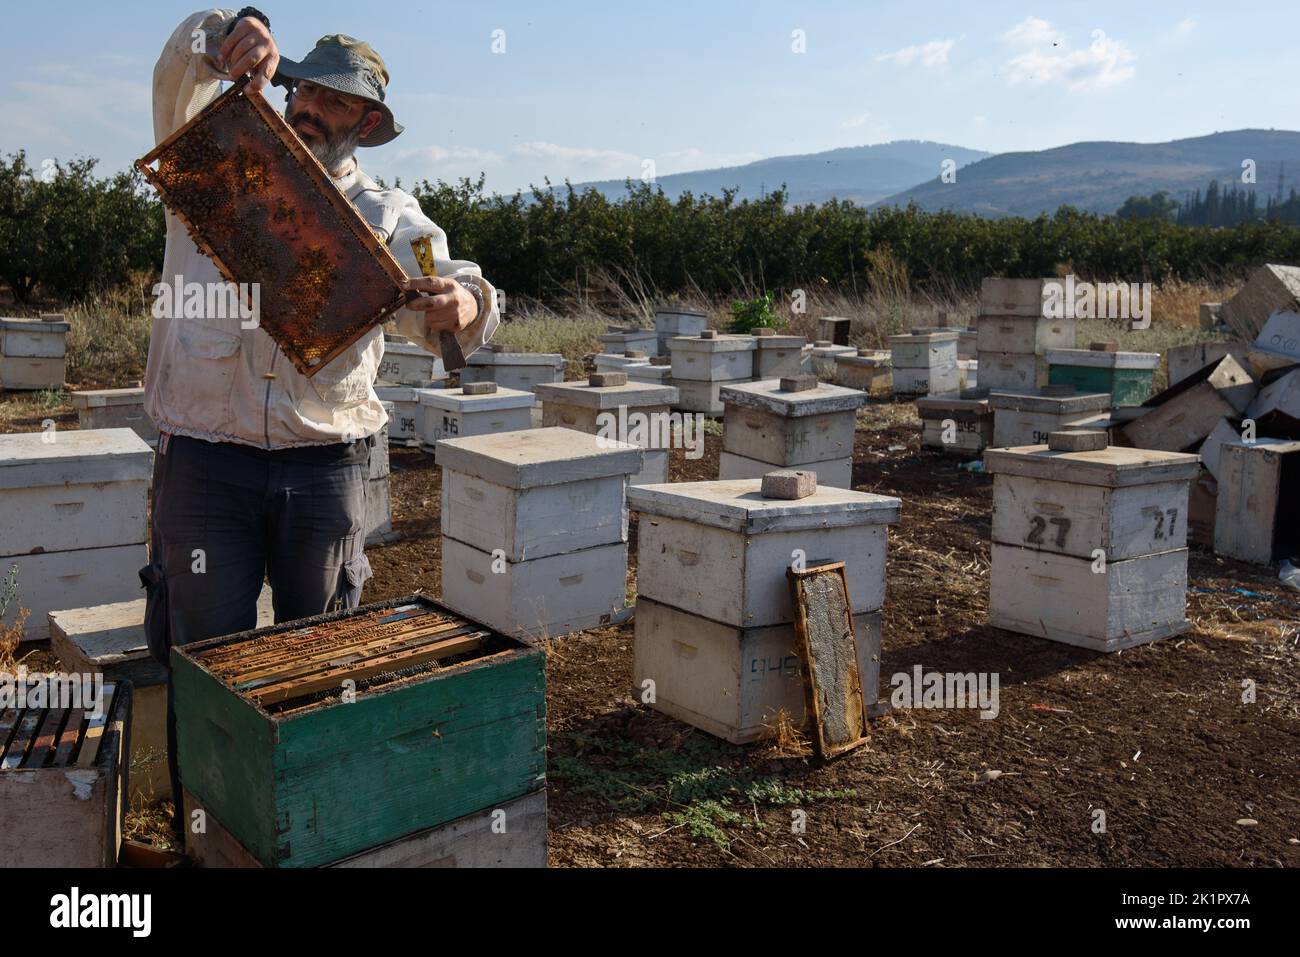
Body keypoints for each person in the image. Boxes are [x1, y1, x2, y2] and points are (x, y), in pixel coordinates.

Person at [142, 7, 499, 830]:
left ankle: (308, 827)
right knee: (205, 663)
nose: (305, 105)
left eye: (330, 100)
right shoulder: (220, 150)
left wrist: (463, 301)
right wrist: (231, 29)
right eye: (300, 85)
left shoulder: (386, 216)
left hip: (325, 468)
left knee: (320, 664)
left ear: (365, 122)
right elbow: (176, 68)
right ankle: (210, 829)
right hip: (205, 460)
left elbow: (460, 286)